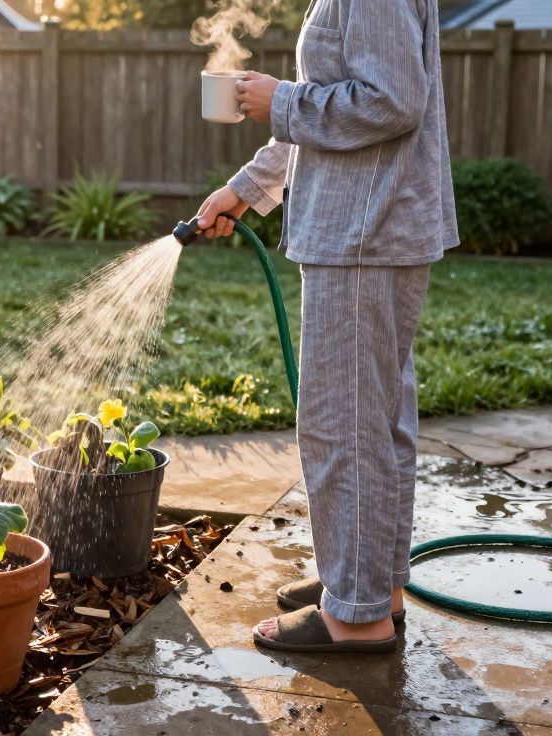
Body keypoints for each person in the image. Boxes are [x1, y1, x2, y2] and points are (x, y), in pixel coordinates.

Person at [193, 0, 457, 653]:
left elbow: (392, 101)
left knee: (344, 423)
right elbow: (330, 114)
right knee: (376, 419)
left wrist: (281, 99)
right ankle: (370, 588)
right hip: (370, 227)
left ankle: (357, 618)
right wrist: (245, 189)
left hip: (364, 231)